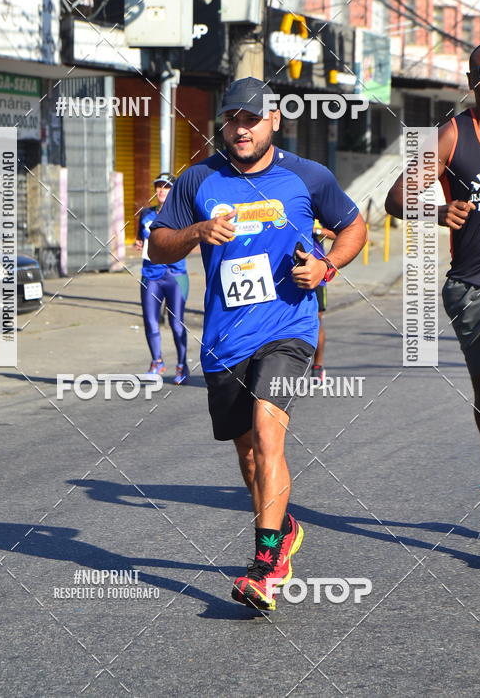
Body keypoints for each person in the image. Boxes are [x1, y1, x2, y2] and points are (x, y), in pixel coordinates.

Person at [148, 77, 367, 610]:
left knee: (270, 434)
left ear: (274, 120)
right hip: (225, 340)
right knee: (249, 457)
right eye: (232, 120)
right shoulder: (198, 178)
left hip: (288, 329)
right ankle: (283, 528)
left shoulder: (307, 176)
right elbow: (158, 247)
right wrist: (197, 232)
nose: (241, 129)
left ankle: (264, 567)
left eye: (251, 119)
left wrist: (327, 266)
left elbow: (354, 227)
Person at [385, 41, 480, 545]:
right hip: (471, 288)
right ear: (471, 78)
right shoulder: (450, 134)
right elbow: (396, 198)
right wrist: (437, 211)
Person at [135, 173, 189, 385]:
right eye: (158, 186)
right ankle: (156, 362)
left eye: (166, 187)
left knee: (176, 323)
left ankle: (182, 365)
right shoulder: (146, 214)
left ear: (173, 190)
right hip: (151, 275)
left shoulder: (182, 214)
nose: (161, 190)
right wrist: (139, 244)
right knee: (150, 321)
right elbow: (140, 238)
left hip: (175, 275)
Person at [311, 220, 336, 383]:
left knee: (317, 319)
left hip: (317, 276)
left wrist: (317, 231)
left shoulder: (318, 211)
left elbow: (336, 234)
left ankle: (318, 366)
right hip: (289, 274)